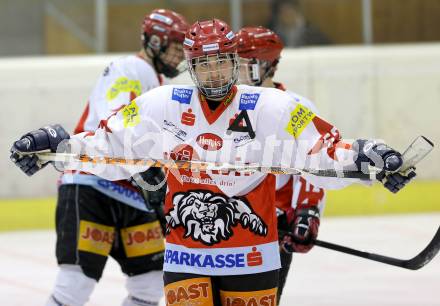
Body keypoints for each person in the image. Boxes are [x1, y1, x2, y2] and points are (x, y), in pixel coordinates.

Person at [11, 18, 415, 306]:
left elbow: (323, 152)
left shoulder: (271, 106)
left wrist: (370, 157)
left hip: (252, 255)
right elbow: (110, 144)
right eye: (203, 64)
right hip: (186, 254)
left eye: (221, 60)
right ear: (192, 66)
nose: (213, 71)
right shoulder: (162, 104)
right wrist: (58, 145)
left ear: (234, 61)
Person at [20, 9, 188, 306]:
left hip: (132, 196)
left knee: (150, 282)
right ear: (155, 42)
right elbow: (111, 122)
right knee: (76, 283)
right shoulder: (128, 69)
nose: (179, 57)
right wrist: (143, 171)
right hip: (91, 186)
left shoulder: (156, 81)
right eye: (176, 48)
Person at [236, 26, 326, 302]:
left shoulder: (295, 106)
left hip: (273, 227)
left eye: (241, 64)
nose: (232, 70)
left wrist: (307, 212)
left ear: (264, 65)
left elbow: (314, 164)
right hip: (226, 221)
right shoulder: (224, 103)